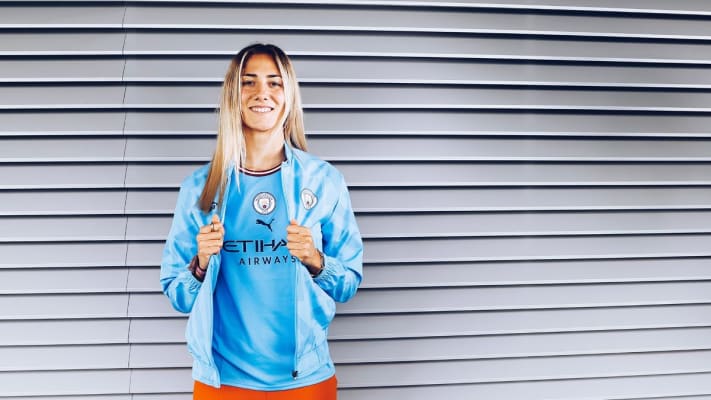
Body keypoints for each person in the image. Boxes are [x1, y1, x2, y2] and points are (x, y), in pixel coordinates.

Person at [160, 43, 363, 400]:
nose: (261, 93)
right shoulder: (200, 188)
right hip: (223, 383)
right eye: (248, 82)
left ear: (289, 94)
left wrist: (316, 260)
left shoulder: (323, 181)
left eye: (274, 82)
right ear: (233, 94)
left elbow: (347, 284)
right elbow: (177, 294)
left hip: (306, 381)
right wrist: (200, 264)